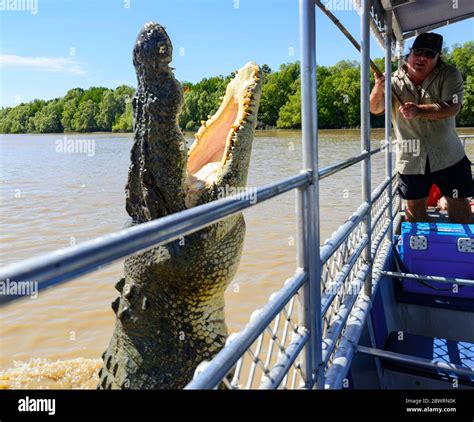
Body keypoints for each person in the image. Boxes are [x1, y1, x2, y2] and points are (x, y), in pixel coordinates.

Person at [370, 32, 473, 223]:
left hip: (449, 155)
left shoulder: (450, 74)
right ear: (409, 53)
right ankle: (420, 250)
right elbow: (375, 109)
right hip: (410, 157)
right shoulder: (392, 80)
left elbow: (453, 106)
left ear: (437, 58)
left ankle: (465, 248)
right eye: (418, 52)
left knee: (458, 201)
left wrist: (419, 110)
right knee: (414, 205)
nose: (422, 58)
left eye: (429, 54)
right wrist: (378, 87)